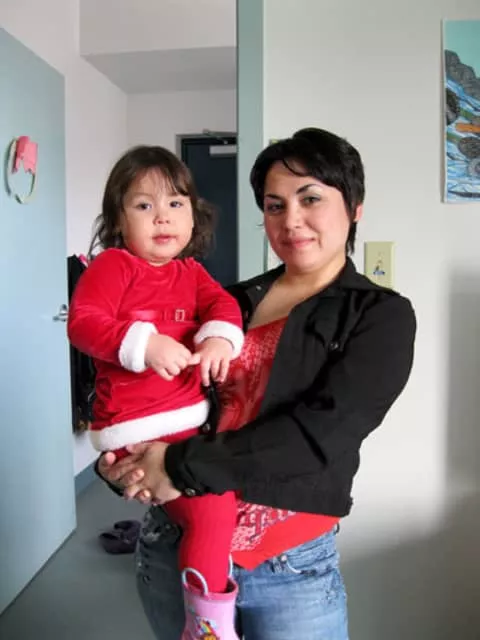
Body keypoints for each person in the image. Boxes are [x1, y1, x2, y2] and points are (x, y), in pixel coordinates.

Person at [97, 128, 416, 640]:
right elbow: (147, 389)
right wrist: (124, 464)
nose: (291, 220)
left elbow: (321, 435)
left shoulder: (378, 315)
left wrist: (175, 464)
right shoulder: (227, 303)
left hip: (289, 570)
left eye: (310, 198)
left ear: (354, 207)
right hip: (173, 546)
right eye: (274, 205)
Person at [68, 145, 245, 639]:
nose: (162, 216)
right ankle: (207, 627)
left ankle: (206, 615)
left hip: (184, 421)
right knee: (212, 508)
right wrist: (143, 344)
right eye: (144, 205)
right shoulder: (114, 266)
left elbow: (224, 305)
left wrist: (218, 337)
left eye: (175, 203)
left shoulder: (192, 272)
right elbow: (83, 323)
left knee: (211, 511)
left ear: (193, 215)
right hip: (135, 424)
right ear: (118, 221)